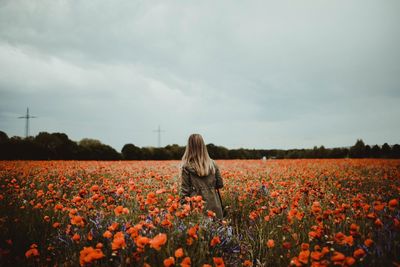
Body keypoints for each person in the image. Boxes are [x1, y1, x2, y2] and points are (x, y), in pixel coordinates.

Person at [179, 133, 224, 219]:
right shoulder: (213, 164)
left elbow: (184, 192)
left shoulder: (186, 167)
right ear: (203, 146)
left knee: (199, 230)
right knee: (215, 230)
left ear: (189, 147)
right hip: (214, 206)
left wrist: (183, 210)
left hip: (196, 207)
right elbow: (220, 184)